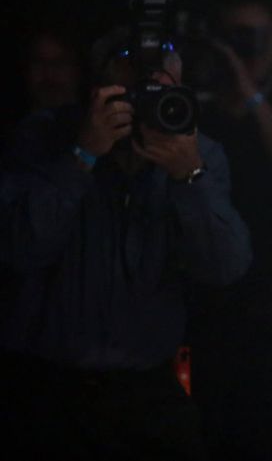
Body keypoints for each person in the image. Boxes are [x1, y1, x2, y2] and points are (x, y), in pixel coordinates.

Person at [0, 26, 252, 460]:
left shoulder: (199, 152)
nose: (146, 97)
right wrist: (82, 155)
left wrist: (188, 178)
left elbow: (226, 269)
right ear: (99, 84)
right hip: (50, 391)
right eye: (132, 85)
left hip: (149, 390)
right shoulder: (46, 134)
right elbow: (18, 249)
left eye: (160, 86)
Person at [188, 0, 272, 461]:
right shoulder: (195, 107)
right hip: (208, 309)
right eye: (239, 37)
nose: (252, 49)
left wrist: (252, 97)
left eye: (261, 37)